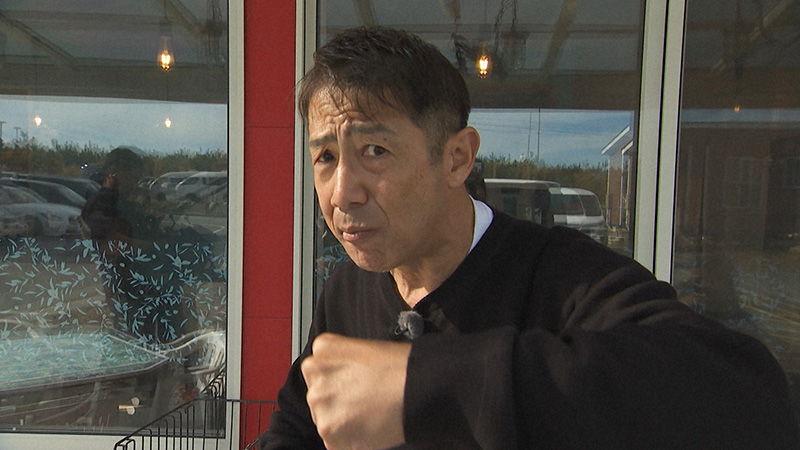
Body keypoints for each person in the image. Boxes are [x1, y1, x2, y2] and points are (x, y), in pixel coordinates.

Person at [258, 26, 799, 449]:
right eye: (325, 156)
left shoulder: (565, 278)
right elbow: (297, 427)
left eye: (374, 151)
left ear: (457, 158)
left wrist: (424, 384)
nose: (343, 192)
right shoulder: (347, 291)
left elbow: (750, 404)